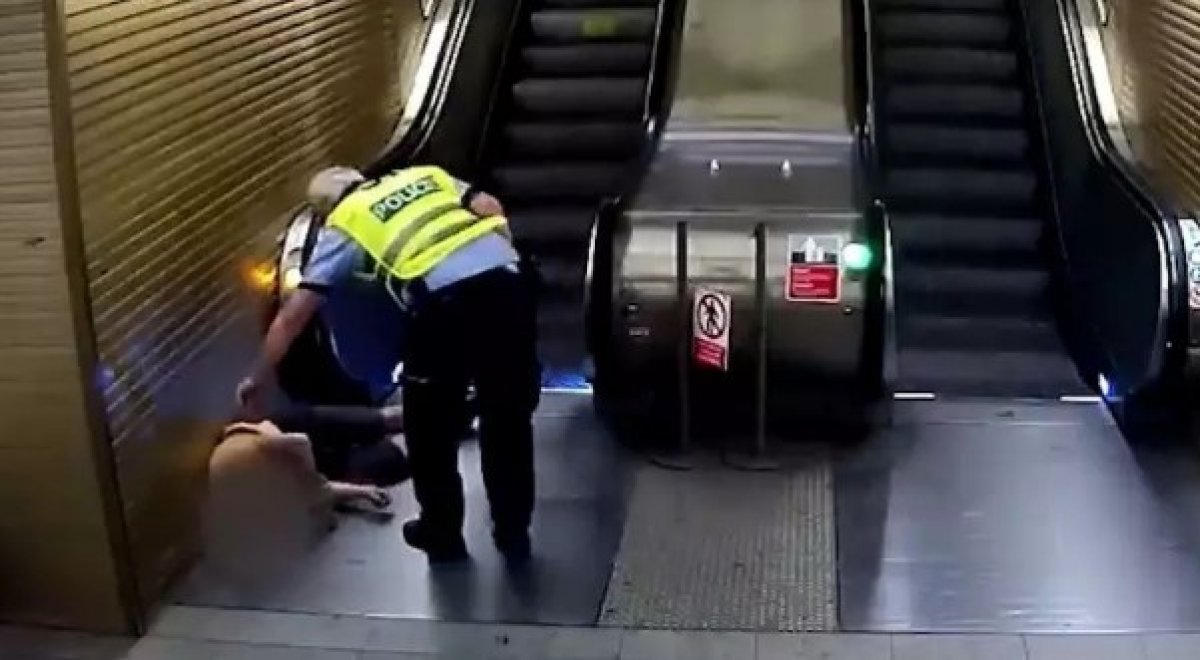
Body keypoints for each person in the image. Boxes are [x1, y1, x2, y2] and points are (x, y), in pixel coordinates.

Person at [238, 164, 540, 563]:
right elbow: (489, 205)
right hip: (510, 286)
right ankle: (513, 531)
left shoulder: (346, 222)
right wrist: (499, 255)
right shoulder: (426, 175)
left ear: (325, 209)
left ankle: (442, 532)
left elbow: (297, 311)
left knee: (429, 429)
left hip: (444, 305)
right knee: (508, 419)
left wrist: (257, 376)